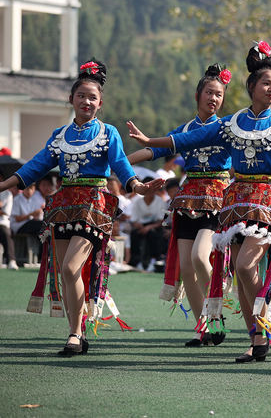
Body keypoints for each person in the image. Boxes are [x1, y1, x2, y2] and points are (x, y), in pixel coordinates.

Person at [128, 42, 271, 363]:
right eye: (268, 84)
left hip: (269, 200)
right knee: (238, 268)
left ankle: (268, 320)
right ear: (252, 87)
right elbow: (188, 139)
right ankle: (257, 336)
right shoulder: (230, 124)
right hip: (235, 203)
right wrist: (152, 142)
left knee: (247, 265)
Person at [0, 59, 163, 356]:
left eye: (92, 97)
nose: (86, 101)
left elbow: (121, 166)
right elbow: (34, 167)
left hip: (94, 205)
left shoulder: (108, 133)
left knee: (72, 266)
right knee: (66, 272)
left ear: (100, 103)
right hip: (64, 206)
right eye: (81, 96)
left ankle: (77, 331)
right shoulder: (59, 136)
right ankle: (75, 332)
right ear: (71, 99)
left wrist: (138, 186)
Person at [127, 64, 232, 345]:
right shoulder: (184, 130)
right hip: (187, 200)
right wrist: (121, 162)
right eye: (209, 92)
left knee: (200, 257)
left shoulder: (228, 128)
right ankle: (204, 329)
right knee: (186, 267)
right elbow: (154, 150)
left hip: (217, 199)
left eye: (219, 94)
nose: (213, 98)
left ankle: (216, 313)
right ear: (197, 95)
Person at [128, 182, 169, 271]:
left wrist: (148, 227)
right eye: (147, 190)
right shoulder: (137, 202)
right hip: (141, 226)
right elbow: (134, 220)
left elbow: (161, 221)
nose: (150, 192)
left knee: (153, 234)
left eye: (152, 190)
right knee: (134, 234)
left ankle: (154, 260)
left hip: (155, 226)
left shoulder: (160, 202)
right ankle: (136, 260)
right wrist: (140, 226)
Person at [0, 175, 15, 269]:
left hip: (2, 223)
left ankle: (11, 260)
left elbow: (6, 213)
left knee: (5, 233)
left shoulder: (7, 194)